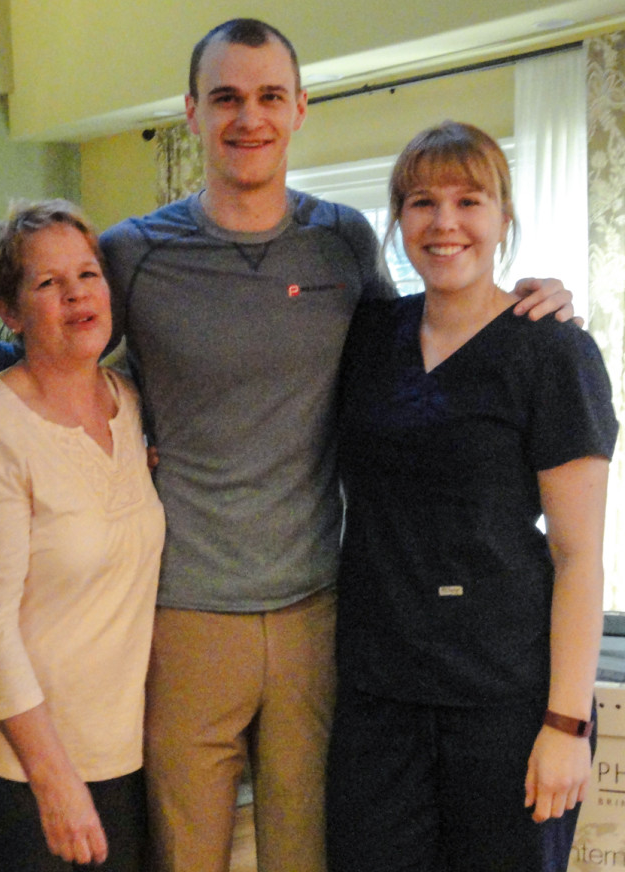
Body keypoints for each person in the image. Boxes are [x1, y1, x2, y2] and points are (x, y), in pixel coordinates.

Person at [99, 18, 577, 872]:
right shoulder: (132, 251)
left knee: (314, 854)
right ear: (191, 113)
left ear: (299, 108)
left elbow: (432, 324)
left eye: (270, 97)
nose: (250, 118)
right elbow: (57, 369)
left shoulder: (343, 241)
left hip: (324, 612)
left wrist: (535, 302)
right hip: (186, 611)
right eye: (227, 99)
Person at [326, 121, 616, 872]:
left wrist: (567, 724)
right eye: (422, 202)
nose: (445, 222)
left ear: (503, 217)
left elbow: (581, 556)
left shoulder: (553, 352)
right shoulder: (368, 337)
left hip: (506, 704)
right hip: (377, 698)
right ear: (398, 222)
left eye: (469, 200)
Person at [0, 200, 164, 872]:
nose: (76, 294)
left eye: (87, 274)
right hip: (19, 772)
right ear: (10, 313)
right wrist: (55, 781)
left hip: (121, 759)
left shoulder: (131, 404)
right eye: (47, 283)